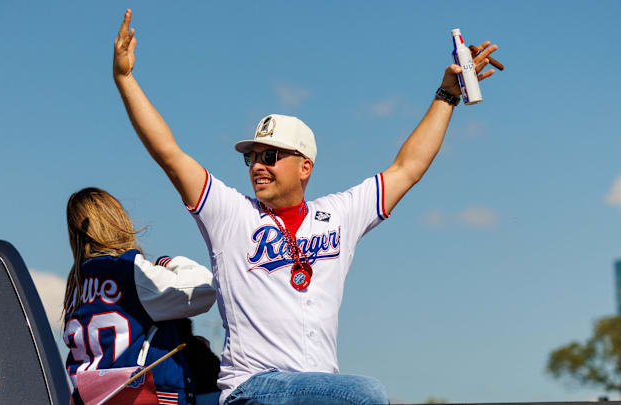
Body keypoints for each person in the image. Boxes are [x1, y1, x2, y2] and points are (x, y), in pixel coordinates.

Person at [112, 9, 500, 405]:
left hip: (317, 392)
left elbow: (407, 168)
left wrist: (447, 95)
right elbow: (170, 154)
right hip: (252, 389)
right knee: (367, 395)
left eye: (271, 155)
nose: (258, 165)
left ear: (304, 167)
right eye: (253, 157)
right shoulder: (231, 214)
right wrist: (126, 80)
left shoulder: (339, 214)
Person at [62, 187, 220, 405]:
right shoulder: (128, 271)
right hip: (143, 397)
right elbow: (205, 289)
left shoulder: (75, 288)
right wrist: (167, 263)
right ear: (118, 220)